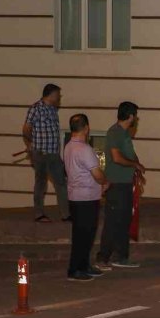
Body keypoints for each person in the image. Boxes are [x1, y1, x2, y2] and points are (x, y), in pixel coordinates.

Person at [96, 101, 145, 270]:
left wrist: (136, 165)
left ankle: (121, 256)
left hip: (125, 183)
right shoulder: (115, 132)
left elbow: (129, 153)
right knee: (113, 221)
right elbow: (116, 157)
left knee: (124, 221)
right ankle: (103, 257)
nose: (136, 119)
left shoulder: (124, 134)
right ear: (130, 116)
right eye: (135, 115)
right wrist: (134, 164)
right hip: (116, 184)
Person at [62, 114, 108, 282]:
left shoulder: (68, 147)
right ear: (86, 128)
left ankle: (84, 265)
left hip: (75, 196)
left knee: (83, 233)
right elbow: (96, 173)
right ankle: (75, 269)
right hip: (86, 197)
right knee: (84, 235)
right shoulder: (84, 149)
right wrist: (105, 181)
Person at [22, 83, 70, 222]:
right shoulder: (36, 109)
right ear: (51, 94)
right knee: (41, 182)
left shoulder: (53, 110)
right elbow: (26, 128)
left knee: (61, 182)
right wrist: (29, 143)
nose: (59, 98)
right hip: (41, 152)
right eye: (58, 95)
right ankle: (39, 213)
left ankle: (66, 214)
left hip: (53, 153)